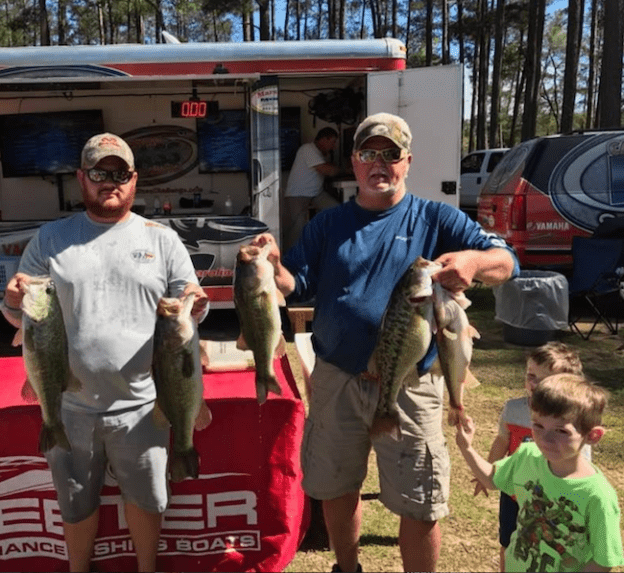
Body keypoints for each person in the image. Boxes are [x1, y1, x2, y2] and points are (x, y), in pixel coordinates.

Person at [250, 112, 518, 572]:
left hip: (412, 381)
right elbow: (294, 283)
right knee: (337, 486)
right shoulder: (328, 225)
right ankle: (347, 567)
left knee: (420, 500)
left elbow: (506, 260)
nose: (379, 163)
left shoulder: (435, 218)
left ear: (407, 161)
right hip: (337, 377)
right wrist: (271, 266)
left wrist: (473, 262)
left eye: (390, 154)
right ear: (354, 162)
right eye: (369, 153)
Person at [1, 132, 209, 573]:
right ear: (82, 178)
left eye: (119, 173)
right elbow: (18, 317)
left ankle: (146, 568)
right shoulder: (51, 238)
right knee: (76, 504)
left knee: (147, 499)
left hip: (143, 404)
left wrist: (196, 299)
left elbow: (187, 302)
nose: (109, 181)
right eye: (99, 172)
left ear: (134, 180)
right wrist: (14, 299)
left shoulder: (163, 239)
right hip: (68, 404)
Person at [456, 374, 624, 572]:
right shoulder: (528, 455)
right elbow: (493, 479)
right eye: (538, 425)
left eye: (561, 431)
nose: (546, 438)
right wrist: (466, 447)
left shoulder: (598, 495)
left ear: (592, 436)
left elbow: (603, 561)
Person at [477, 342, 588, 572]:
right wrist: (487, 472)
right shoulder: (514, 409)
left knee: (549, 549)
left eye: (544, 379)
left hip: (552, 501)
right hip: (514, 494)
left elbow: (583, 462)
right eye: (531, 375)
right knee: (508, 541)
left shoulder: (573, 420)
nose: (534, 384)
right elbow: (502, 441)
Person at [283, 127, 342, 252]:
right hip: (298, 194)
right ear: (325, 139)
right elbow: (324, 169)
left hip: (316, 193)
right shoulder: (308, 149)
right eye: (333, 142)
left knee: (338, 212)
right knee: (297, 228)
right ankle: (291, 261)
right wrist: (345, 170)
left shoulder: (318, 153)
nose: (334, 146)